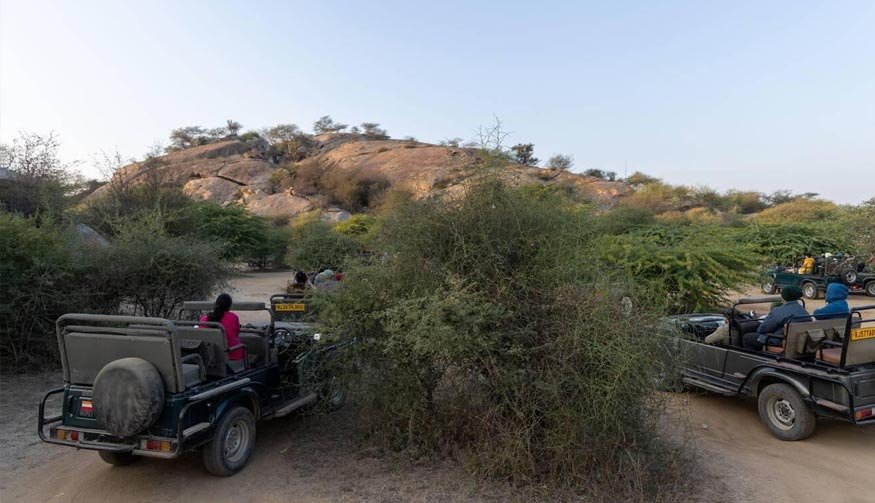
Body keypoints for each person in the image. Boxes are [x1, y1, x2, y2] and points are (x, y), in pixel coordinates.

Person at [742, 286, 809, 351]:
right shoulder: (803, 310)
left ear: (783, 296)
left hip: (778, 340)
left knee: (747, 338)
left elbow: (763, 329)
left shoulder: (779, 311)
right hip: (797, 341)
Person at [200, 293, 243, 361]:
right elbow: (237, 333)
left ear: (216, 304)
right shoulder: (233, 317)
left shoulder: (204, 319)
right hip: (232, 356)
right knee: (244, 347)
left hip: (209, 357)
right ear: (229, 306)